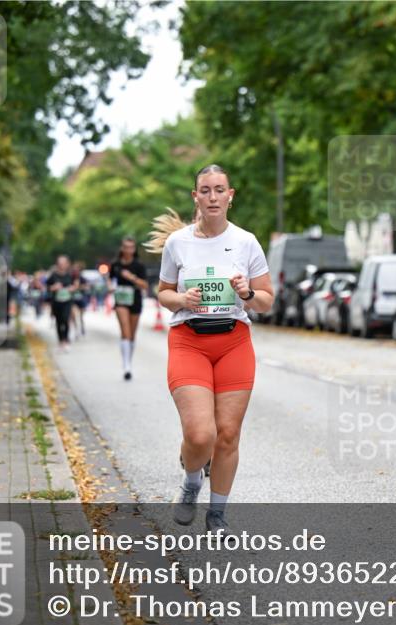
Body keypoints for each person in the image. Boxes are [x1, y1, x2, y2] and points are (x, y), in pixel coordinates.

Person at [148, 164, 274, 532]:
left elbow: (266, 300)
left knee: (227, 434)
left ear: (230, 195)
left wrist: (247, 293)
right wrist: (182, 298)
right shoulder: (178, 243)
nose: (213, 196)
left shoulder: (247, 241)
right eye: (206, 190)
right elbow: (163, 294)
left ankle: (217, 513)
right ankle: (190, 483)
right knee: (201, 435)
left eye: (220, 189)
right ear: (196, 196)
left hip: (233, 341)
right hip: (189, 341)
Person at [110, 237, 149, 380]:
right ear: (122, 248)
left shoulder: (139, 266)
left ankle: (129, 361)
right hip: (120, 300)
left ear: (134, 249)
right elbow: (110, 279)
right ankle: (126, 366)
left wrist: (132, 278)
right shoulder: (115, 264)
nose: (128, 250)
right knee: (125, 332)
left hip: (135, 299)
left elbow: (145, 285)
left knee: (132, 334)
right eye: (126, 247)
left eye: (131, 247)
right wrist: (110, 286)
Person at [45, 255, 76, 351]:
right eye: (59, 263)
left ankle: (66, 340)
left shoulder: (70, 275)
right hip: (56, 302)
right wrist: (53, 287)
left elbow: (76, 286)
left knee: (65, 319)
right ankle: (60, 341)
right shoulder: (53, 276)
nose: (61, 265)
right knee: (58, 321)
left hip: (67, 301)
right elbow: (47, 288)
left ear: (67, 264)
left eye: (63, 263)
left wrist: (72, 289)